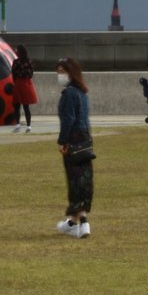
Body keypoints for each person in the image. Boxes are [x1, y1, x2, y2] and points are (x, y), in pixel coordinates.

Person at [55, 57, 93, 238]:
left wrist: (62, 141)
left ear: (71, 73)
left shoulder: (69, 93)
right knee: (83, 182)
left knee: (74, 181)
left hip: (73, 139)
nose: (59, 75)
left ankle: (78, 224)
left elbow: (68, 119)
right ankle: (77, 222)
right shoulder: (82, 92)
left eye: (62, 72)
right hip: (85, 139)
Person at [10, 45, 38, 132]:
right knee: (26, 107)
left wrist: (16, 80)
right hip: (27, 83)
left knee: (16, 106)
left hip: (18, 84)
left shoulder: (16, 62)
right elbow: (31, 74)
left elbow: (13, 73)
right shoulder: (29, 62)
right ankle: (29, 126)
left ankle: (18, 125)